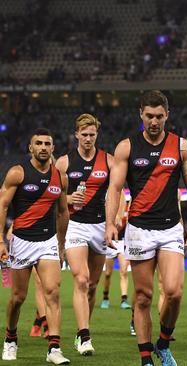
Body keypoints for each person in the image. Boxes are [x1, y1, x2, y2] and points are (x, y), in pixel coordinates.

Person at [105, 90, 187, 366]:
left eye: (159, 116)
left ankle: (163, 342)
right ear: (141, 114)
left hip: (171, 228)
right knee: (144, 296)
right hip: (138, 230)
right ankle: (146, 357)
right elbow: (114, 188)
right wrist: (111, 223)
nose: (154, 121)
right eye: (149, 116)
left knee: (174, 292)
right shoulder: (126, 147)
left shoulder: (181, 146)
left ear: (167, 115)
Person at [0, 128, 71, 364]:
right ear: (30, 148)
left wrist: (60, 245)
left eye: (47, 143)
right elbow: (2, 206)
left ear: (53, 148)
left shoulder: (60, 176)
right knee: (18, 297)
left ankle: (54, 348)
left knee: (53, 292)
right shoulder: (17, 173)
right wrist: (1, 240)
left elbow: (63, 212)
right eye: (38, 143)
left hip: (48, 241)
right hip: (21, 241)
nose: (43, 147)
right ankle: (10, 338)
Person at [55, 113, 116, 355]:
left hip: (100, 226)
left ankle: (83, 328)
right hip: (75, 225)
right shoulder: (64, 163)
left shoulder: (109, 161)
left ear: (96, 135)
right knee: (80, 279)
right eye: (84, 134)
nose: (88, 138)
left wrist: (114, 220)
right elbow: (52, 196)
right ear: (76, 135)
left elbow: (117, 191)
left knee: (92, 285)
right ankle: (84, 336)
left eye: (92, 134)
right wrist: (68, 198)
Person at [101, 196, 131, 310]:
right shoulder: (108, 206)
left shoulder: (127, 207)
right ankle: (105, 297)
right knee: (108, 273)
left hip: (122, 241)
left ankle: (124, 299)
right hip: (110, 241)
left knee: (123, 271)